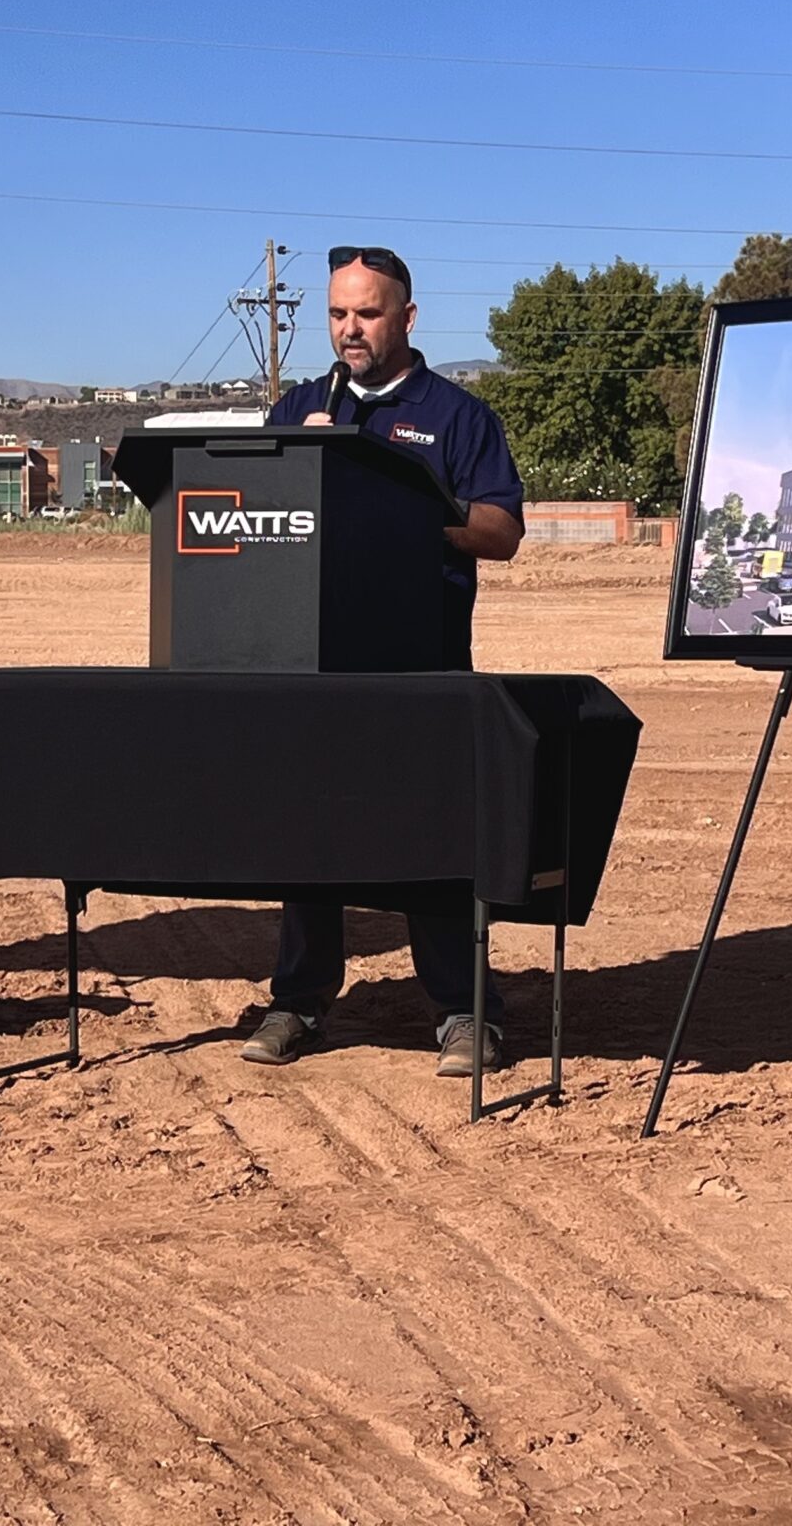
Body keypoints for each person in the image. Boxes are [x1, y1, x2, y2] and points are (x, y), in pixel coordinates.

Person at [240, 245, 527, 1078]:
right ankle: (297, 1000)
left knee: (435, 833)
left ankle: (466, 1012)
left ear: (405, 316)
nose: (349, 329)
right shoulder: (299, 409)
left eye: (366, 313)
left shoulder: (460, 416)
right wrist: (302, 473)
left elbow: (501, 533)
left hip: (421, 661)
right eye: (336, 314)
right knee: (310, 830)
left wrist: (402, 505)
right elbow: (254, 527)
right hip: (312, 660)